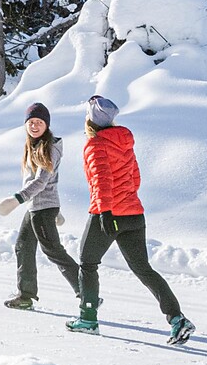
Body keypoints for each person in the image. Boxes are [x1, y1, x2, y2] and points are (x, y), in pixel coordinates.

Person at [68, 94, 196, 345]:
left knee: (87, 262)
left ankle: (88, 318)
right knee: (143, 268)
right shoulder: (125, 142)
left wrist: (105, 211)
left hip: (107, 213)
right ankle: (177, 319)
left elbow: (101, 180)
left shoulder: (95, 145)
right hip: (134, 214)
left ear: (91, 120)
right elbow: (135, 179)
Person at [0, 103, 79, 310]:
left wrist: (16, 199)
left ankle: (87, 290)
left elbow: (42, 182)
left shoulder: (49, 147)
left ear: (46, 125)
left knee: (53, 251)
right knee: (23, 246)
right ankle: (26, 295)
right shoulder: (33, 145)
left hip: (42, 208)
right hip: (37, 207)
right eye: (31, 122)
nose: (34, 126)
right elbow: (48, 182)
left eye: (39, 122)